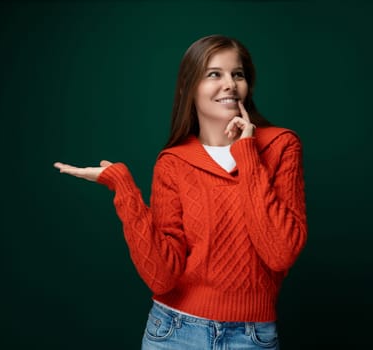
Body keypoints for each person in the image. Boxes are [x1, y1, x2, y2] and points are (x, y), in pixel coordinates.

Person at [54, 34, 307, 350]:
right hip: (174, 331)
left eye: (237, 74)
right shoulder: (173, 162)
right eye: (214, 74)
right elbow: (161, 276)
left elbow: (280, 252)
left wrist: (247, 152)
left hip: (252, 336)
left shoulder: (281, 145)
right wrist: (123, 187)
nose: (229, 83)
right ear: (190, 87)